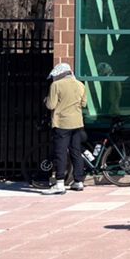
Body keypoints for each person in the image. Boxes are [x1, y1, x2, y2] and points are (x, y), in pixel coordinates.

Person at [43, 62, 88, 195]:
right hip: (77, 123)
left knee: (61, 153)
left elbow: (51, 105)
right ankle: (78, 181)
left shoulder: (56, 85)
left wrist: (46, 100)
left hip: (62, 123)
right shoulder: (80, 85)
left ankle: (59, 184)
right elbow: (84, 103)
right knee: (76, 152)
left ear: (59, 74)